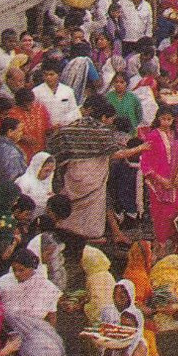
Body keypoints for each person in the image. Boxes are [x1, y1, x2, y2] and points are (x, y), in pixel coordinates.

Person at [47, 95, 142, 247]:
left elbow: (55, 141)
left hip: (73, 173)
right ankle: (90, 235)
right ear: (104, 118)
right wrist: (140, 148)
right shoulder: (101, 132)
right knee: (92, 207)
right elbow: (115, 154)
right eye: (111, 119)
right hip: (92, 176)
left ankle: (70, 232)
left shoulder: (74, 125)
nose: (112, 122)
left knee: (79, 205)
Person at [140, 102, 178, 246]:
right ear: (158, 119)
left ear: (174, 119)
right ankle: (161, 243)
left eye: (169, 119)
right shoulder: (153, 135)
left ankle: (177, 242)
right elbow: (146, 162)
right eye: (163, 119)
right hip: (159, 182)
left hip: (177, 182)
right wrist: (160, 179)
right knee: (162, 214)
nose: (166, 122)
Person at [33, 62, 81, 130]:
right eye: (45, 75)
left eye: (51, 74)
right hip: (45, 131)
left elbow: (74, 112)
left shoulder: (68, 91)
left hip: (65, 130)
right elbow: (34, 114)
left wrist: (64, 124)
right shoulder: (36, 92)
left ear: (59, 75)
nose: (48, 77)